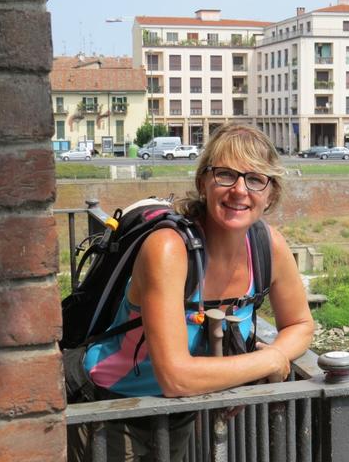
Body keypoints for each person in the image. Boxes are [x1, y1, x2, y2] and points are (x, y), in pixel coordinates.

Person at [68, 123, 314, 461]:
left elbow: (301, 324)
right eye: (225, 174)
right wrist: (266, 361)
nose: (239, 190)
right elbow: (175, 376)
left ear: (271, 194)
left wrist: (272, 357)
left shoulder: (267, 246)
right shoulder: (169, 249)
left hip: (177, 415)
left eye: (256, 179)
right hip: (108, 409)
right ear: (203, 183)